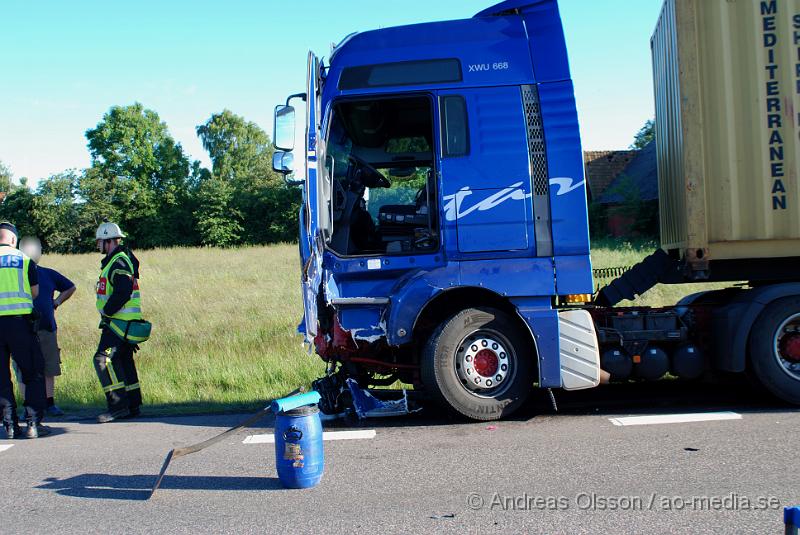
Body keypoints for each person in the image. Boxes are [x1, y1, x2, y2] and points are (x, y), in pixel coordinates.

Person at [0, 222, 50, 438]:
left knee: (1, 378)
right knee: (32, 373)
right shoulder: (24, 259)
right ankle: (33, 423)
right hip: (20, 324)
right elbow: (35, 292)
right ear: (14, 240)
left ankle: (10, 426)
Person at [18, 236, 76, 416]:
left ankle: (50, 403)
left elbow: (70, 287)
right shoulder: (16, 274)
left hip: (46, 327)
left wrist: (57, 301)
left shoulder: (48, 273)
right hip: (22, 328)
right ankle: (28, 406)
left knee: (49, 367)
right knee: (23, 368)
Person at [93, 222, 143, 423]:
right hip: (123, 323)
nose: (97, 245)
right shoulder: (117, 260)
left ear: (109, 241)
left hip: (118, 322)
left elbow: (123, 291)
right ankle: (132, 404)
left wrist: (106, 310)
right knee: (123, 361)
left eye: (100, 241)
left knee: (102, 360)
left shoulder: (119, 262)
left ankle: (118, 406)